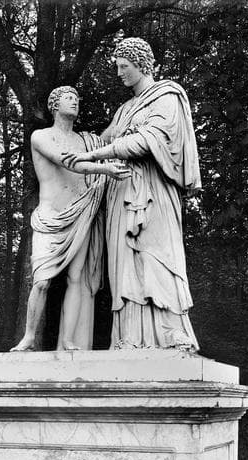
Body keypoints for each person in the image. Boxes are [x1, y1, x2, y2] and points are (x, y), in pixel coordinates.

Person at [64, 38, 202, 350]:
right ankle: (129, 337)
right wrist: (65, 137)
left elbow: (145, 142)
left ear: (141, 64)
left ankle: (170, 333)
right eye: (117, 67)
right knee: (125, 267)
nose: (119, 73)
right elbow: (101, 141)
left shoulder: (167, 96)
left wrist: (94, 157)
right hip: (121, 191)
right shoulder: (125, 109)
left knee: (157, 257)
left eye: (123, 66)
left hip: (154, 191)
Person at [11, 86, 130, 352]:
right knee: (42, 281)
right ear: (54, 105)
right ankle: (28, 338)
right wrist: (105, 169)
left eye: (76, 98)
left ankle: (68, 340)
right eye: (68, 98)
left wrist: (128, 114)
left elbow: (110, 136)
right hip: (50, 217)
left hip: (81, 214)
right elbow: (67, 162)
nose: (74, 102)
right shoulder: (41, 136)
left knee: (76, 278)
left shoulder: (86, 142)